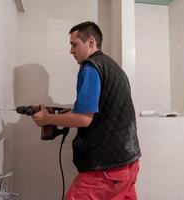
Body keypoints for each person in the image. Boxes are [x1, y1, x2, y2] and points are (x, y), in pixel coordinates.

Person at [32, 21, 141, 200]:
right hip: (129, 163)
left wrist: (47, 118)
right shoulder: (114, 67)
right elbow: (106, 108)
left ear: (91, 42)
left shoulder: (90, 67)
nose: (71, 51)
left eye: (74, 44)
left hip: (105, 170)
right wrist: (73, 112)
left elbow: (83, 119)